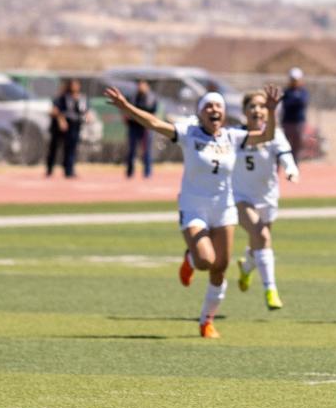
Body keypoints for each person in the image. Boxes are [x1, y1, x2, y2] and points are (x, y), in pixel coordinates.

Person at [104, 84, 280, 338]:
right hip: (194, 206)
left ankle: (206, 321)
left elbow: (266, 136)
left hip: (224, 208)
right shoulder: (189, 133)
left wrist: (272, 112)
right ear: (200, 113)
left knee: (220, 267)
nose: (214, 109)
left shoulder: (232, 137)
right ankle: (190, 259)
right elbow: (154, 123)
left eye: (218, 105)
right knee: (205, 261)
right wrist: (126, 107)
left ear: (224, 113)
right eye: (208, 106)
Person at [234, 89, 300, 311]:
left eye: (262, 106)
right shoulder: (235, 136)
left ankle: (245, 268)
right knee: (261, 235)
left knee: (258, 244)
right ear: (244, 111)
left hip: (268, 198)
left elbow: (285, 156)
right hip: (240, 198)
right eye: (252, 106)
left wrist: (291, 170)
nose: (257, 110)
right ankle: (270, 290)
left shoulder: (275, 135)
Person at [47, 78, 87, 178]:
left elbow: (85, 110)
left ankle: (69, 170)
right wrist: (61, 120)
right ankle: (50, 169)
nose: (75, 87)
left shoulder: (81, 98)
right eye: (73, 85)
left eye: (77, 85)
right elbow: (55, 110)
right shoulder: (62, 97)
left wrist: (87, 116)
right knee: (54, 148)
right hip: (61, 126)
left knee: (71, 148)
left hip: (74, 126)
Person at [126, 79, 157, 178]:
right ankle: (130, 172)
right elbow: (128, 111)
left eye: (143, 85)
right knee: (132, 150)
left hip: (146, 128)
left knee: (147, 150)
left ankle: (147, 173)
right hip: (134, 127)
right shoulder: (133, 97)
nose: (141, 87)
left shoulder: (151, 97)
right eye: (139, 84)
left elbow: (150, 110)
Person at [280, 67, 309, 163]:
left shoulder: (303, 91)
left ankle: (295, 165)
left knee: (297, 146)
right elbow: (286, 104)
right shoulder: (286, 92)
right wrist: (295, 99)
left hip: (299, 123)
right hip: (287, 122)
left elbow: (302, 102)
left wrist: (294, 100)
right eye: (292, 79)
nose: (294, 82)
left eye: (296, 80)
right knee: (285, 145)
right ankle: (284, 164)